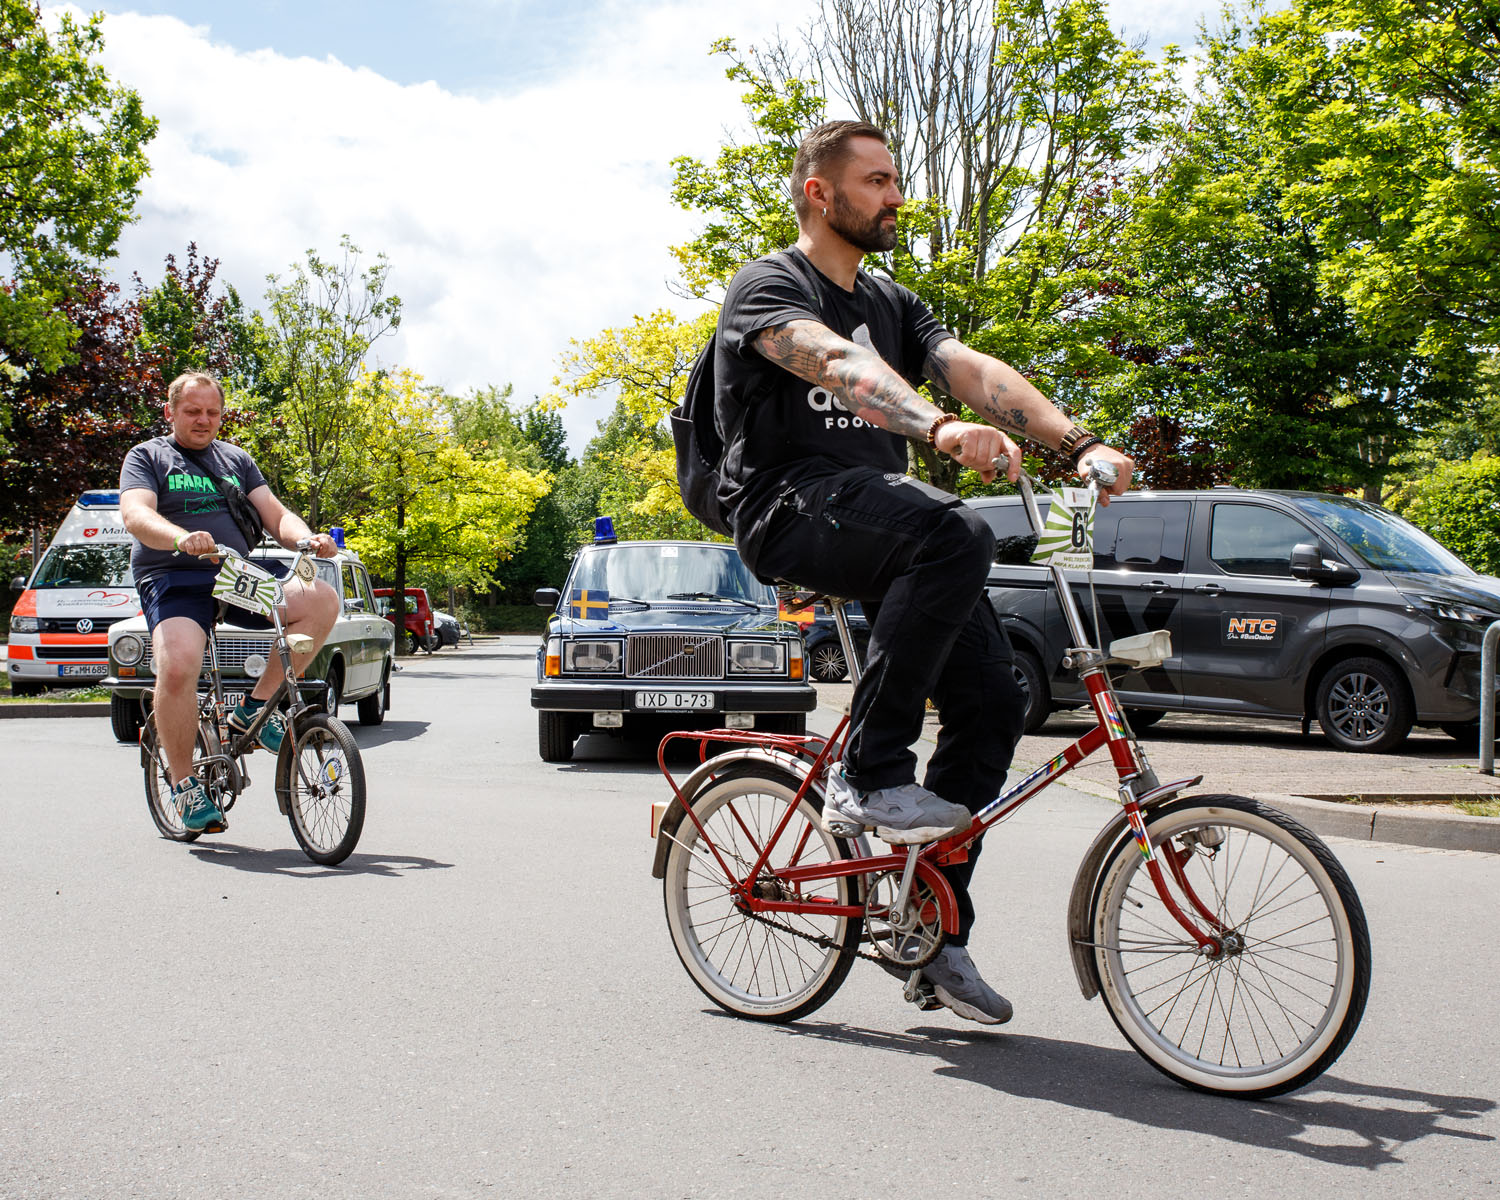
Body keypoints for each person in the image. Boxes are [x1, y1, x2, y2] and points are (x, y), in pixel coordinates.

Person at [712, 121, 1135, 1025]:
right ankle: (869, 770)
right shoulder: (769, 286)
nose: (896, 195)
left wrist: (1076, 442)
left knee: (991, 703)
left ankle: (933, 932)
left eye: (897, 179)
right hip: (788, 506)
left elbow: (971, 371)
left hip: (872, 523)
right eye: (876, 181)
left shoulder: (894, 300)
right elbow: (833, 360)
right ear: (819, 193)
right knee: (954, 531)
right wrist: (936, 430)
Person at [120, 371, 341, 834]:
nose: (204, 420)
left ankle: (252, 712)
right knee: (178, 665)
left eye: (212, 412)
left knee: (320, 600)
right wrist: (181, 539)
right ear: (170, 412)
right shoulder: (148, 457)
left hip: (233, 577)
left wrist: (307, 539)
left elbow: (276, 514)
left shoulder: (236, 459)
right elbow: (136, 514)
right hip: (174, 576)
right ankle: (184, 786)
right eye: (192, 411)